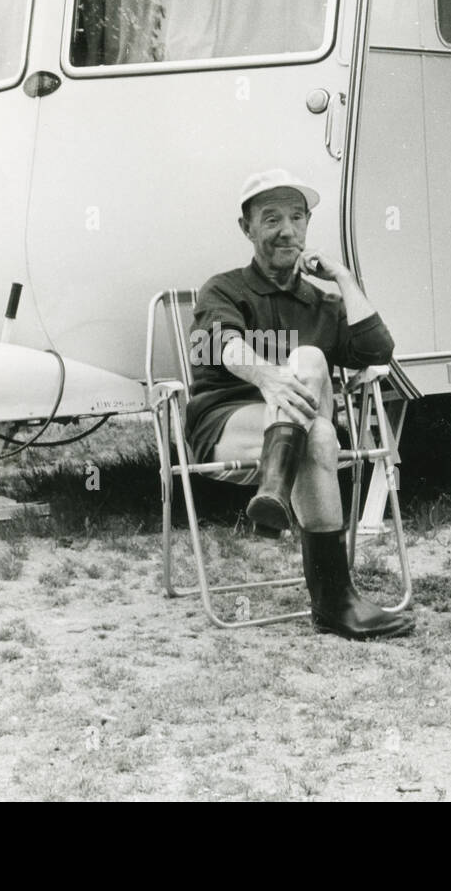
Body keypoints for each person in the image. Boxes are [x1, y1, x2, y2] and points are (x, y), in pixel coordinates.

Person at [183, 169, 414, 641]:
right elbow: (220, 343)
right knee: (319, 430)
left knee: (309, 365)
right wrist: (267, 377)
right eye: (270, 219)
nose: (285, 230)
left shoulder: (322, 302)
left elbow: (378, 351)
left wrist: (344, 278)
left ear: (307, 225)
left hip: (292, 436)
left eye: (295, 217)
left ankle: (274, 492)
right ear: (246, 229)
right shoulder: (224, 289)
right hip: (228, 420)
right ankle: (334, 601)